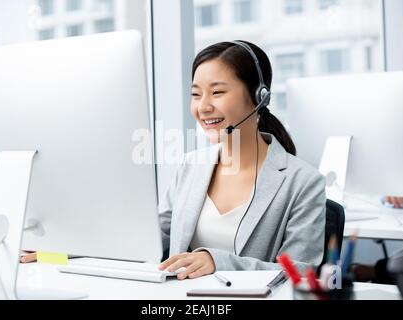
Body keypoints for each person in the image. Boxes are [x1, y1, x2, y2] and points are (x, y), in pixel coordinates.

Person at [22, 41, 327, 280]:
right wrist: (60, 250)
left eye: (217, 92)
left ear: (259, 96)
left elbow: (301, 274)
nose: (203, 107)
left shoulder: (302, 182)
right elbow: (146, 241)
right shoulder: (191, 166)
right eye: (196, 95)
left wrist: (216, 262)